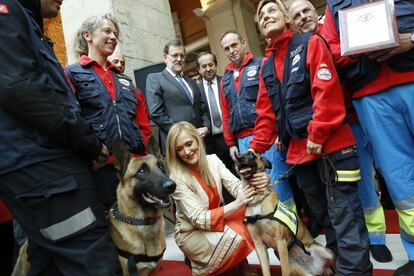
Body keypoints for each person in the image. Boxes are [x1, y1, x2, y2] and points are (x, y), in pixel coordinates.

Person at [250, 1, 372, 274]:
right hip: (299, 155)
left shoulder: (311, 43)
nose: (266, 16)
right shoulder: (267, 65)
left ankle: (356, 272)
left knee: (345, 216)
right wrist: (255, 149)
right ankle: (341, 267)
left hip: (332, 146)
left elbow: (325, 90)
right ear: (259, 28)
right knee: (324, 218)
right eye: (260, 15)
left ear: (286, 18)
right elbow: (265, 113)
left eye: (271, 10)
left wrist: (317, 132)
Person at [0, 0, 119, 274]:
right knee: (93, 261)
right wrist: (88, 143)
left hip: (39, 166)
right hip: (46, 168)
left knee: (48, 263)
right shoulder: (8, 10)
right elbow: (21, 86)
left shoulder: (25, 19)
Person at [287, 0, 392, 263]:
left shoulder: (332, 32)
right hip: (341, 124)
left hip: (365, 103)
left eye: (306, 11)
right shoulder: (299, 50)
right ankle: (375, 238)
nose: (302, 18)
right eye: (296, 15)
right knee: (364, 180)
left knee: (391, 171)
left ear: (317, 13)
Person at [323, 0, 414, 274]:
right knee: (400, 179)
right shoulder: (333, 6)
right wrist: (359, 48)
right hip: (369, 96)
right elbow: (333, 48)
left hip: (411, 75)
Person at [66, 14, 152, 209]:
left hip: (134, 168)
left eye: (115, 33)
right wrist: (91, 153)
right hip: (100, 170)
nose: (113, 37)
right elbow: (70, 119)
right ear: (88, 35)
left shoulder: (125, 81)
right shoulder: (72, 74)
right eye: (107, 31)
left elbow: (143, 123)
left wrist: (141, 153)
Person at [166, 121, 268, 276]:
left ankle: (241, 265)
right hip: (192, 232)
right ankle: (206, 263)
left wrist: (259, 181)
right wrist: (237, 203)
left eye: (189, 143)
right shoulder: (177, 178)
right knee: (240, 232)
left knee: (254, 219)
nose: (187, 151)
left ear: (198, 140)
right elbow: (198, 219)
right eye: (180, 149)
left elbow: (235, 186)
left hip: (217, 221)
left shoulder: (213, 160)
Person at [219, 30, 295, 210]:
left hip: (267, 137)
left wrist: (278, 132)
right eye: (227, 48)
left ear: (243, 43)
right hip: (242, 142)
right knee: (254, 188)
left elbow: (276, 101)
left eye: (234, 45)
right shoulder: (226, 79)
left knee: (277, 183)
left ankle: (290, 228)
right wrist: (231, 144)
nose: (231, 50)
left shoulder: (263, 64)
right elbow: (226, 112)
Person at [146, 39, 210, 155]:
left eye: (182, 56)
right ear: (165, 57)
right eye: (175, 55)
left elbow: (202, 108)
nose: (179, 59)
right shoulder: (155, 79)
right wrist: (182, 132)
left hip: (199, 144)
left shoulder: (192, 82)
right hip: (175, 145)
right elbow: (156, 113)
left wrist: (206, 127)